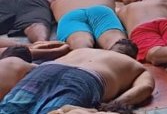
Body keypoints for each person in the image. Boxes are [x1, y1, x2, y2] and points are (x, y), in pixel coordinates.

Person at [0, 47, 153, 114]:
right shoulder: (134, 64)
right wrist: (112, 105)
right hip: (85, 79)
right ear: (132, 55)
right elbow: (145, 87)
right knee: (56, 112)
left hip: (45, 70)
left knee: (10, 108)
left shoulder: (80, 51)